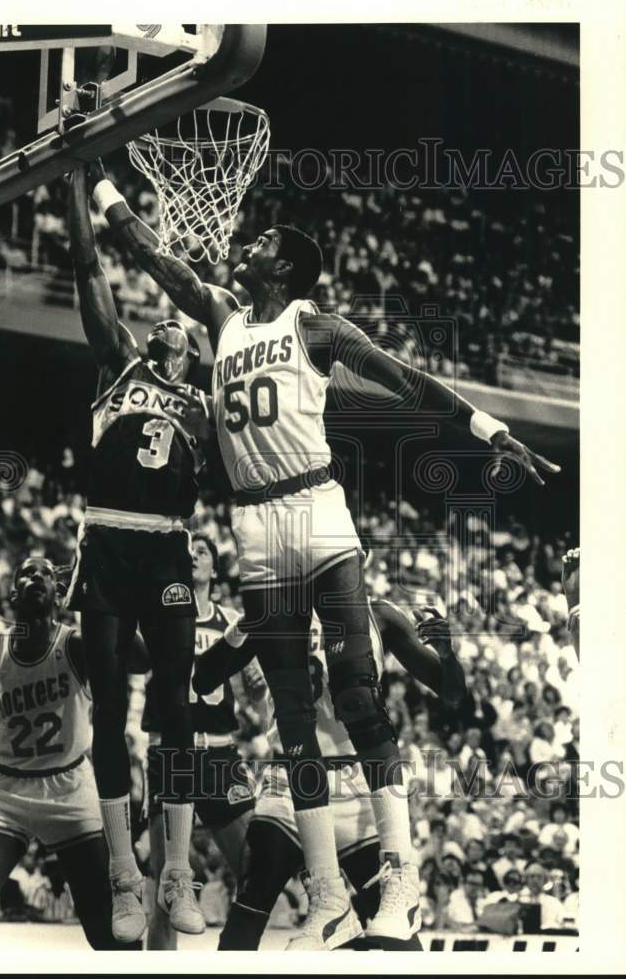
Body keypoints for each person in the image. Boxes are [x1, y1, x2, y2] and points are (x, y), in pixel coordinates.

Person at [91, 164, 559, 949]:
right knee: (292, 721)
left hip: (316, 510)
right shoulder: (220, 314)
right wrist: (98, 175)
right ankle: (327, 894)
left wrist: (488, 431)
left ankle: (401, 880)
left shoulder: (318, 329)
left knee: (357, 696)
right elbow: (145, 253)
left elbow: (408, 380)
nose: (248, 244)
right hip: (254, 526)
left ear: (286, 267)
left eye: (264, 241)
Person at [65, 165, 211, 941]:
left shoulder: (207, 404)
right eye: (158, 321)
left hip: (166, 554)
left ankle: (176, 868)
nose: (164, 322)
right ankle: (125, 874)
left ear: (190, 348)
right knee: (114, 708)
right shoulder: (118, 364)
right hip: (108, 542)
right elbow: (89, 267)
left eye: (176, 326)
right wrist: (74, 184)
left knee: (176, 707)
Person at [201, 601, 467, 950]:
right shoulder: (273, 608)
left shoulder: (380, 615)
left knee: (395, 934)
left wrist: (447, 655)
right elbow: (203, 679)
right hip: (290, 781)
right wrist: (242, 627)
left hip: (354, 782)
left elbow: (452, 693)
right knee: (249, 909)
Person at [0, 557, 134, 950]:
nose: (36, 577)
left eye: (47, 574)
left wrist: (101, 598)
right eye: (27, 572)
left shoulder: (75, 644)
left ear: (59, 594)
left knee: (108, 928)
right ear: (13, 592)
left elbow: (139, 658)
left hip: (69, 786)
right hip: (7, 790)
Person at [136, 534, 266, 949]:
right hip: (171, 752)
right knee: (164, 884)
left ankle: (233, 951)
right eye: (188, 551)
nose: (194, 555)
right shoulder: (155, 614)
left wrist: (259, 689)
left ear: (214, 569)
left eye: (203, 551)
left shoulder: (231, 619)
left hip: (220, 753)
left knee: (255, 867)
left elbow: (256, 689)